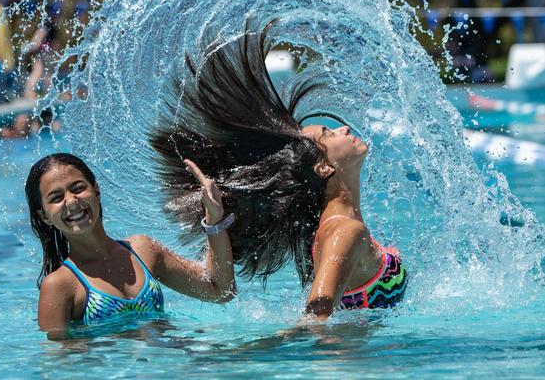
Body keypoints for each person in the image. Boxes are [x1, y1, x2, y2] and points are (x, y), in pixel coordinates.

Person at [150, 22, 408, 321]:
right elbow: (318, 310)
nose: (344, 128)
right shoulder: (345, 231)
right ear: (324, 167)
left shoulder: (335, 226)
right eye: (329, 133)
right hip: (348, 365)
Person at [26, 152, 236, 339]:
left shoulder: (143, 250)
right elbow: (58, 363)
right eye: (56, 198)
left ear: (96, 192)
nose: (71, 202)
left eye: (78, 188)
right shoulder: (60, 285)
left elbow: (221, 291)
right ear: (44, 216)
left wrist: (214, 220)